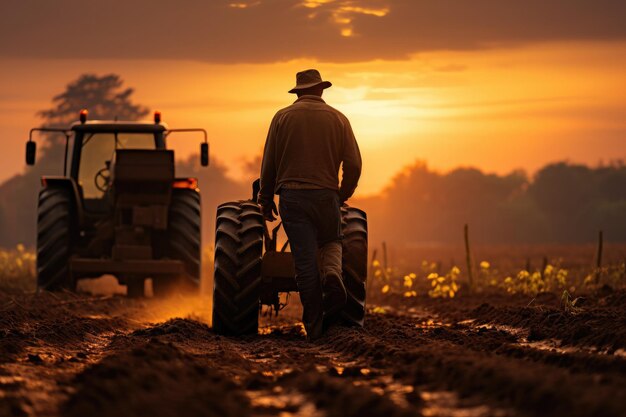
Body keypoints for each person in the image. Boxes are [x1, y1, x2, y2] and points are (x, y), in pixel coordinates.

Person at [258, 69, 362, 341]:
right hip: (326, 195)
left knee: (304, 262)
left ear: (298, 92)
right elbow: (354, 164)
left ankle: (314, 328)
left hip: (292, 197)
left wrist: (266, 199)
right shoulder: (339, 119)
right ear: (321, 90)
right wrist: (343, 193)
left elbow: (269, 164)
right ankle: (331, 272)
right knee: (331, 240)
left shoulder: (281, 117)